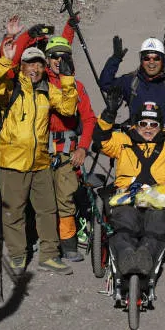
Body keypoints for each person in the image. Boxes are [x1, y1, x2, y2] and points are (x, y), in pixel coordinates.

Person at [0, 42, 78, 276]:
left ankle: (49, 255)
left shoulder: (47, 89)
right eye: (29, 63)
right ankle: (17, 255)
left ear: (43, 66)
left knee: (47, 210)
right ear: (22, 66)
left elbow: (68, 109)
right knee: (14, 211)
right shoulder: (12, 88)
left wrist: (67, 79)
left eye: (38, 63)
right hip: (12, 162)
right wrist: (5, 60)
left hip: (40, 162)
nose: (34, 68)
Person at [92, 82, 165, 276]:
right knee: (123, 226)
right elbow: (101, 139)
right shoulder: (123, 142)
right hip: (127, 199)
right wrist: (109, 113)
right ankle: (127, 255)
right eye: (143, 124)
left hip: (159, 201)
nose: (148, 129)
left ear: (161, 127)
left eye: (154, 124)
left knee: (156, 226)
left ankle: (145, 255)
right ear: (135, 125)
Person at [45, 36, 96, 261]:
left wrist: (83, 149)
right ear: (46, 60)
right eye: (54, 56)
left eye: (64, 56)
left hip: (66, 150)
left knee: (65, 198)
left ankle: (69, 245)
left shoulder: (77, 86)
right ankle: (47, 242)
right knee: (41, 199)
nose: (58, 60)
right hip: (40, 150)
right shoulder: (36, 81)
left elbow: (89, 119)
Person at [99, 35, 165, 127]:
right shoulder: (131, 81)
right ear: (141, 60)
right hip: (136, 138)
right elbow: (105, 84)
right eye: (147, 58)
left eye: (156, 58)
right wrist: (115, 59)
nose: (151, 62)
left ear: (162, 60)